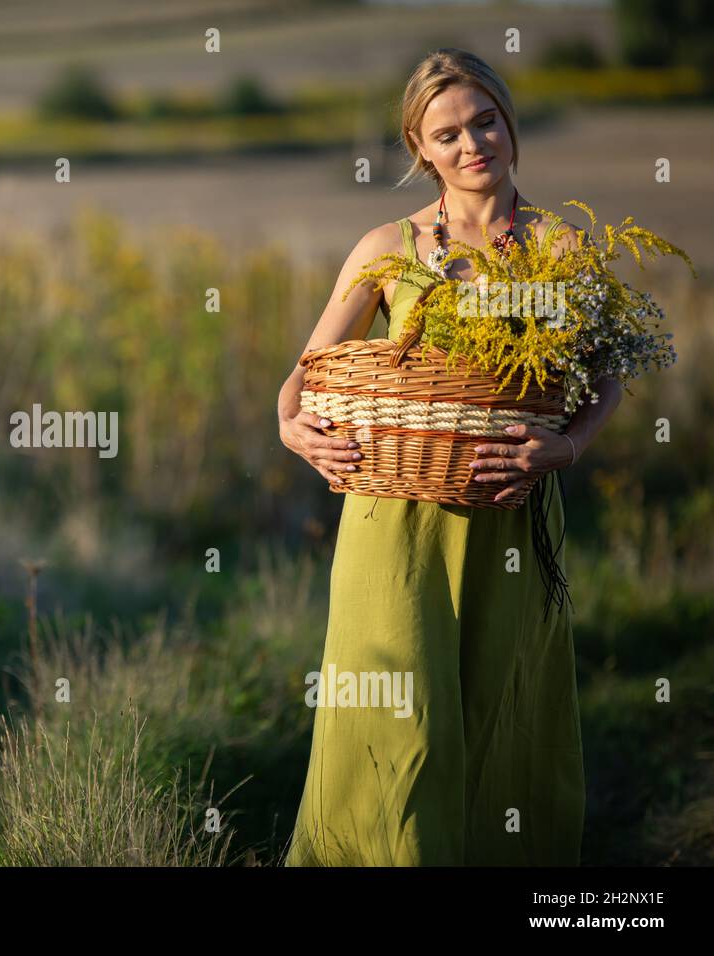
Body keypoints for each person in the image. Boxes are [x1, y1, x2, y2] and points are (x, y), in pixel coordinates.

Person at [276, 48, 624, 865]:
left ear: (508, 124)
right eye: (447, 133)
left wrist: (567, 446)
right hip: (392, 526)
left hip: (509, 516)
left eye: (484, 121)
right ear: (418, 148)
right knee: (396, 718)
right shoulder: (384, 247)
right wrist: (291, 429)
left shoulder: (560, 250)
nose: (472, 144)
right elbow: (304, 377)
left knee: (500, 710)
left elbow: (607, 378)